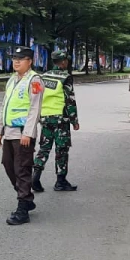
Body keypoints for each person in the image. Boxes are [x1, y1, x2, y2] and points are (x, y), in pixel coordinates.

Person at [0, 46, 43, 226]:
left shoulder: (35, 80)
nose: (16, 61)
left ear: (29, 61)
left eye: (21, 58)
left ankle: (23, 208)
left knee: (22, 168)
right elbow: (5, 106)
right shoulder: (12, 80)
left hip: (23, 133)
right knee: (8, 165)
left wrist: (28, 133)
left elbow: (35, 108)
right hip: (9, 132)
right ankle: (27, 197)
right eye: (14, 58)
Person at [33, 51, 80, 192]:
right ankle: (61, 181)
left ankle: (35, 176)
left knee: (44, 148)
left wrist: (37, 116)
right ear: (63, 62)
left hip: (45, 118)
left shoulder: (41, 76)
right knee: (62, 150)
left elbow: (35, 96)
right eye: (67, 60)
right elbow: (70, 100)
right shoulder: (65, 77)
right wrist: (74, 120)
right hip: (60, 119)